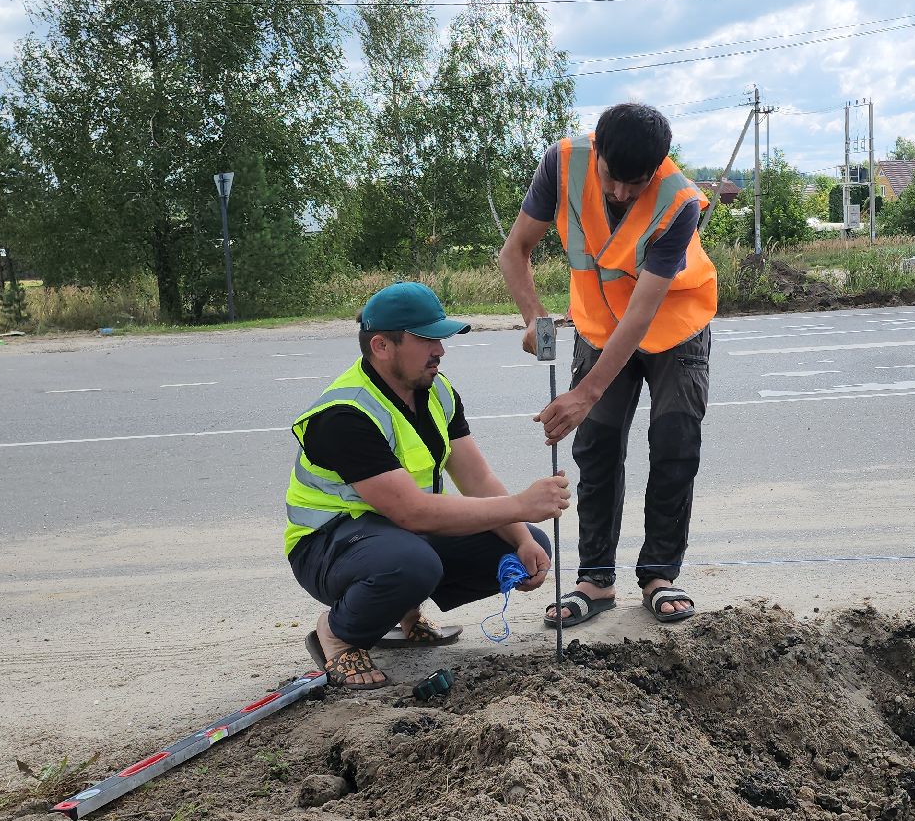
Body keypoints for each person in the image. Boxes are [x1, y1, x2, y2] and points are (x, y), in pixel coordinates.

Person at [285, 282, 571, 689]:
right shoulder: (344, 414)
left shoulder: (435, 390)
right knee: (412, 562)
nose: (440, 349)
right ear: (382, 346)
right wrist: (521, 505)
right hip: (327, 545)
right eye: (426, 339)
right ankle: (338, 634)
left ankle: (404, 615)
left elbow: (476, 479)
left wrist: (522, 537)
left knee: (527, 544)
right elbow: (411, 512)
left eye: (440, 338)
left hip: (390, 538)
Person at [499, 102, 714, 629]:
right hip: (598, 324)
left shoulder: (679, 200)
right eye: (612, 178)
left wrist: (585, 393)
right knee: (594, 447)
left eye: (634, 183)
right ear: (597, 151)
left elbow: (642, 313)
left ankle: (660, 574)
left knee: (674, 443)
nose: (620, 193)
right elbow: (515, 251)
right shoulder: (563, 163)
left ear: (658, 169)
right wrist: (534, 319)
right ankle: (595, 581)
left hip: (673, 325)